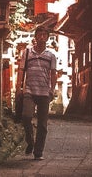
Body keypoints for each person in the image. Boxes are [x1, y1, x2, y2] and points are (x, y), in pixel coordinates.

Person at [17, 25, 57, 160]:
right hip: (29, 90)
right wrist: (18, 88)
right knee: (26, 116)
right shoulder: (27, 53)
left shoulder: (51, 55)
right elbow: (21, 70)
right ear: (35, 36)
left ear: (47, 37)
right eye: (39, 34)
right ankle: (30, 141)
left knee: (42, 124)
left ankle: (38, 152)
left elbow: (53, 74)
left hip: (44, 92)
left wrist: (52, 89)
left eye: (44, 35)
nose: (41, 37)